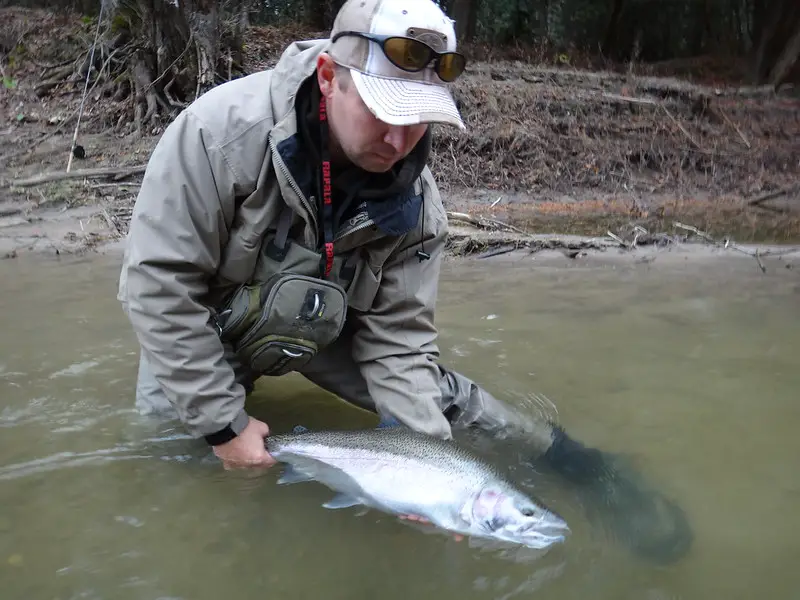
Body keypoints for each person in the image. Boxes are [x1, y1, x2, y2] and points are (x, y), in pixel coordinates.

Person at [117, 0, 692, 564]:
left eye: (419, 116)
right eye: (385, 111)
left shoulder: (418, 205)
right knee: (176, 451)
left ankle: (575, 462)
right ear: (327, 78)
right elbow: (157, 286)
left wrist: (430, 467)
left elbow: (399, 344)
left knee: (439, 403)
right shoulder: (216, 136)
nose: (400, 141)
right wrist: (225, 423)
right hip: (210, 321)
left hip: (325, 321)